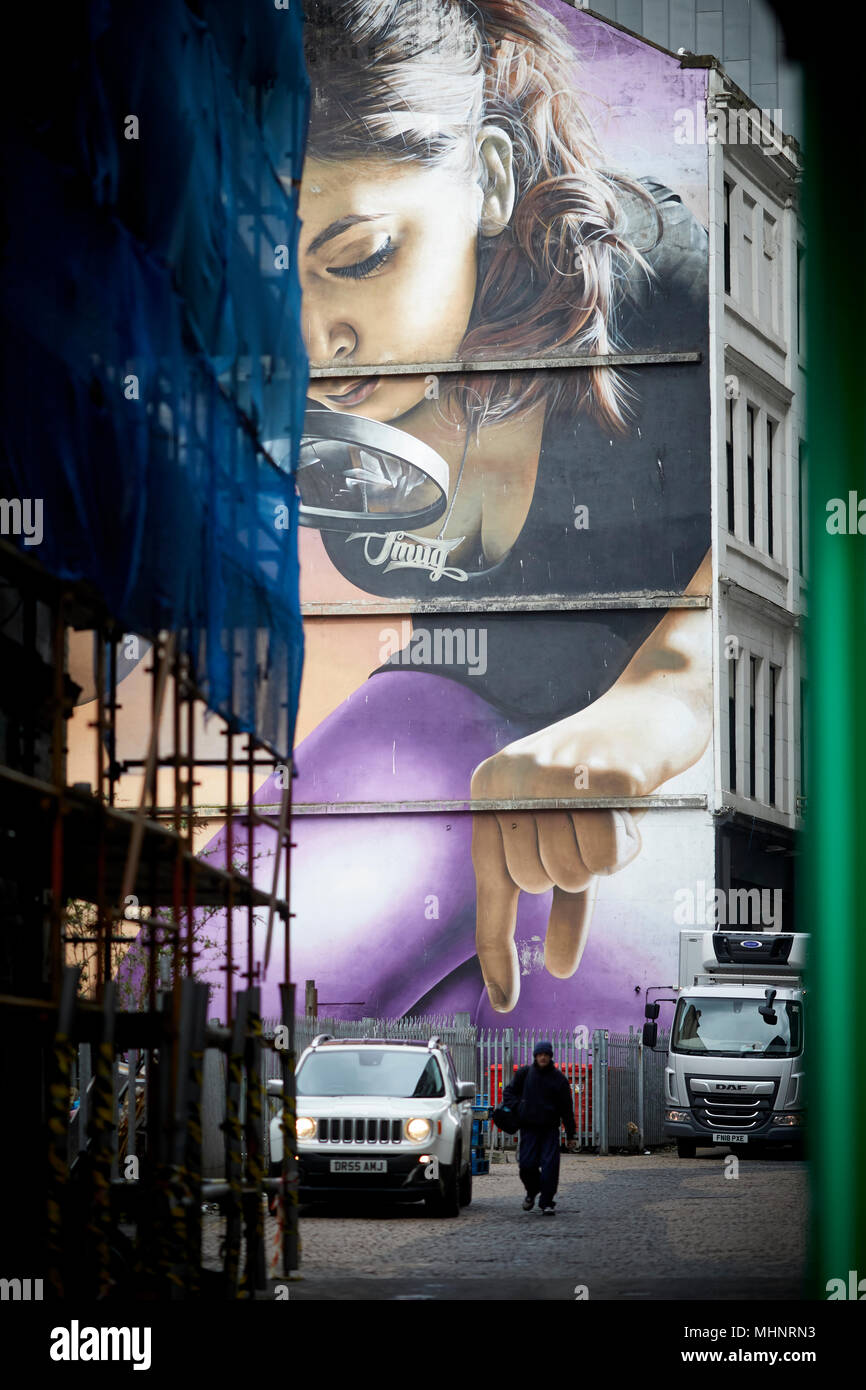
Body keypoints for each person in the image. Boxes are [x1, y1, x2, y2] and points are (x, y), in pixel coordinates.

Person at [188, 0, 713, 1030]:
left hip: (660, 782)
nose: (313, 340)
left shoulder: (656, 276)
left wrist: (660, 700)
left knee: (571, 1026)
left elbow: (797, 505)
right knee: (213, 977)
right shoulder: (331, 424)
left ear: (489, 176)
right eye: (265, 271)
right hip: (447, 726)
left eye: (362, 253)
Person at [503, 1040, 576, 1215]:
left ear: (550, 1056)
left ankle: (547, 1202)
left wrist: (571, 1134)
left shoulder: (559, 1080)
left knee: (550, 1167)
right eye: (540, 1054)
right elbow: (508, 1093)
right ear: (535, 1056)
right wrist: (519, 1106)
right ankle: (532, 1190)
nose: (542, 1057)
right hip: (528, 1129)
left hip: (549, 1130)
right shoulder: (524, 1074)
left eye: (546, 1054)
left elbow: (567, 1108)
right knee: (526, 1165)